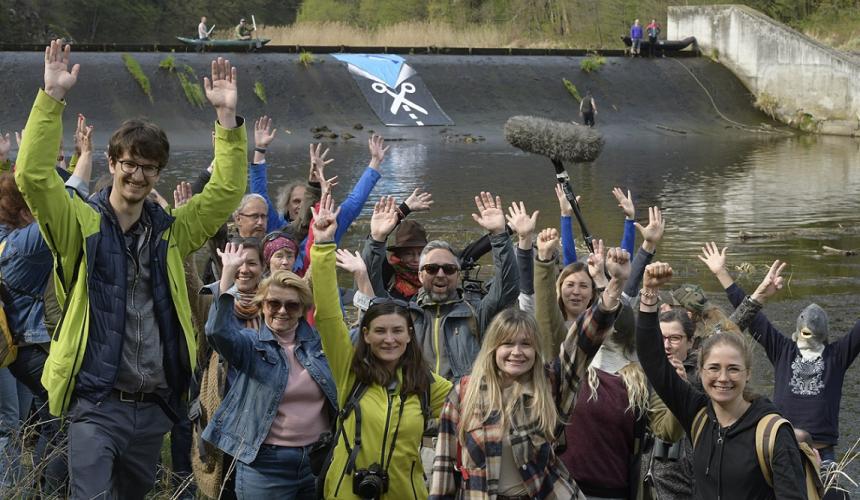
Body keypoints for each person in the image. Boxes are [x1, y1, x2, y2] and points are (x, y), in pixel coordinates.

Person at [15, 40, 248, 499]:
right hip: (96, 404)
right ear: (112, 163)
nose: (138, 176)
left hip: (154, 407)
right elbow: (33, 177)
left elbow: (224, 192)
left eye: (149, 168)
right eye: (129, 164)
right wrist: (52, 98)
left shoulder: (170, 232)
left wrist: (225, 121)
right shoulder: (78, 224)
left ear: (158, 173)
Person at [430, 246, 629, 499]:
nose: (517, 352)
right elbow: (443, 467)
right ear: (492, 348)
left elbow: (583, 342)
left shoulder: (550, 383)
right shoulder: (464, 392)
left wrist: (615, 285)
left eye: (526, 344)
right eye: (507, 344)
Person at [310, 192, 453, 500]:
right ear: (365, 334)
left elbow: (475, 403)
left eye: (397, 331)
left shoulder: (428, 384)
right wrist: (322, 246)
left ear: (409, 336)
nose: (389, 339)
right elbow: (328, 315)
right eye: (380, 331)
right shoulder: (349, 373)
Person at [636, 262, 807, 499]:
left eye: (733, 369)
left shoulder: (772, 432)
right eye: (714, 368)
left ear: (748, 372)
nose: (723, 378)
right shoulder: (697, 414)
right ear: (701, 371)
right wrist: (649, 293)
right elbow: (651, 357)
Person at [700, 242, 860, 465]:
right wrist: (722, 273)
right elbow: (752, 317)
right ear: (797, 331)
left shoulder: (837, 355)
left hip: (822, 455)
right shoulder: (783, 349)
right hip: (783, 448)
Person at [202, 242, 337, 499]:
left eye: (292, 305)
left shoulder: (320, 346)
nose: (282, 311)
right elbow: (216, 332)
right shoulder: (250, 344)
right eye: (274, 303)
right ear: (263, 306)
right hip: (265, 465)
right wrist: (227, 276)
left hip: (318, 460)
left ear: (302, 310)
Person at [412, 191, 519, 381]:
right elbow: (373, 298)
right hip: (416, 404)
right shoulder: (406, 314)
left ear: (458, 275)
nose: (441, 274)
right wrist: (378, 239)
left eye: (449, 269)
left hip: (462, 405)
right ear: (420, 275)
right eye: (432, 268)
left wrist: (499, 235)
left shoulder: (476, 312)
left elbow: (507, 289)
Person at [362, 193, 434, 302]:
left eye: (420, 253)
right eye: (409, 253)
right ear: (399, 254)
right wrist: (403, 210)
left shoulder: (438, 272)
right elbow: (371, 260)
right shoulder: (388, 272)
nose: (416, 259)